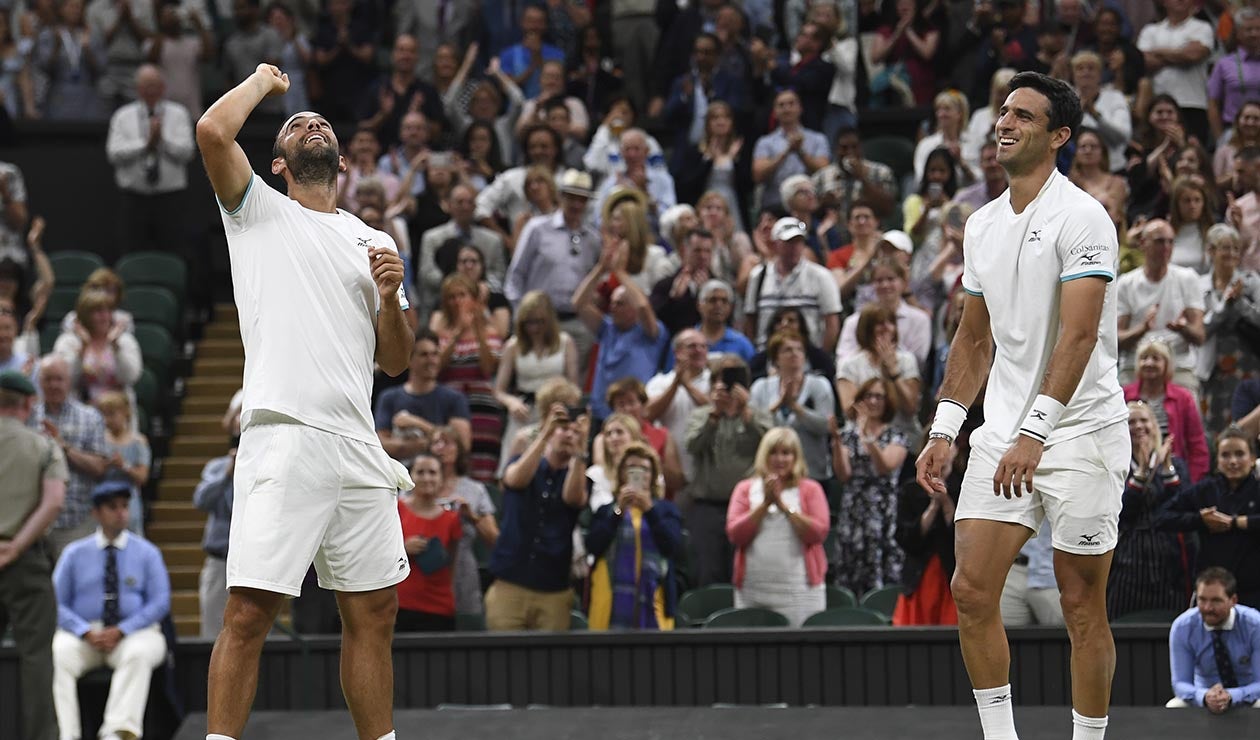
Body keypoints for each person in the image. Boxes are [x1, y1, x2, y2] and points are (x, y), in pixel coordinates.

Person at [196, 63, 417, 740]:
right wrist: (266, 82)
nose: (311, 125)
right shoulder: (257, 210)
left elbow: (397, 360)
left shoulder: (375, 242)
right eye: (298, 126)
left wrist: (390, 300)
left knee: (375, 612)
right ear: (279, 162)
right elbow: (211, 129)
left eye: (321, 125)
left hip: (356, 444)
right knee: (249, 612)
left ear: (342, 160)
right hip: (284, 434)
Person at [915, 72, 1129, 740]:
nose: (1004, 124)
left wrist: (1036, 433)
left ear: (1060, 136)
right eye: (1003, 112)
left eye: (1024, 117)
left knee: (1080, 603)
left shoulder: (1084, 216)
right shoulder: (979, 224)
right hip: (1003, 431)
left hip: (1081, 431)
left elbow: (1079, 334)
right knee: (972, 592)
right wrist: (946, 428)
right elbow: (973, 337)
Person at [51, 481, 169, 740]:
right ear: (95, 512)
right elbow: (55, 603)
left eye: (125, 506)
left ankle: (117, 733)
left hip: (134, 632)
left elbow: (160, 602)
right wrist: (83, 631)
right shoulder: (74, 553)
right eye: (112, 507)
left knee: (139, 653)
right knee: (58, 653)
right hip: (86, 634)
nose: (121, 513)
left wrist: (123, 630)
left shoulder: (148, 553)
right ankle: (66, 734)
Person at [0, 370, 66, 740]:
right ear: (27, 404)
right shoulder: (43, 446)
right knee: (36, 659)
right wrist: (16, 545)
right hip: (25, 562)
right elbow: (54, 501)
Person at [486, 403, 589, 631]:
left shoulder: (579, 476)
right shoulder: (521, 462)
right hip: (509, 584)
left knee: (549, 665)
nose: (570, 434)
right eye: (564, 428)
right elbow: (514, 480)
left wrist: (581, 452)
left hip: (554, 591)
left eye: (576, 431)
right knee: (501, 661)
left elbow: (573, 499)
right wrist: (545, 434)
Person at [726, 426, 830, 627]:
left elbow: (818, 532)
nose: (779, 459)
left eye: (786, 453)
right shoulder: (744, 489)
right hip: (753, 590)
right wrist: (765, 504)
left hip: (801, 592)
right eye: (773, 452)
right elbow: (735, 535)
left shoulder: (810, 489)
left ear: (795, 457)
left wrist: (783, 506)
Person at [685, 356, 773, 587]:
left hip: (749, 506)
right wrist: (714, 415)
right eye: (723, 382)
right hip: (708, 505)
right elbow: (693, 446)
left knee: (745, 570)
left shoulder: (758, 414)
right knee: (707, 571)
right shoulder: (701, 415)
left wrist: (746, 413)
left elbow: (772, 446)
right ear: (714, 384)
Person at [1157, 427, 1260, 608]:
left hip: (1254, 590)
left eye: (1240, 454)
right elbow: (1162, 517)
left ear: (1252, 459)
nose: (1233, 461)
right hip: (1212, 592)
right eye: (1225, 455)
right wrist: (1199, 520)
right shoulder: (1205, 490)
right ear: (1217, 461)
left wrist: (1238, 522)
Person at [586, 442, 684, 630]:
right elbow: (593, 545)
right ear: (622, 473)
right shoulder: (607, 510)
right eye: (631, 467)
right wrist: (618, 511)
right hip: (610, 600)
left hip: (655, 601)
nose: (638, 473)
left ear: (653, 476)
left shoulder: (666, 510)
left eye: (645, 469)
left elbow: (673, 547)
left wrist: (649, 510)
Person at [1106, 400, 1190, 620]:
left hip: (1168, 562)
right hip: (1127, 562)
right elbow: (1121, 515)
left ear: (1154, 425)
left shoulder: (1177, 464)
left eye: (1143, 420)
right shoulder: (1114, 467)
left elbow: (1182, 507)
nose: (1138, 426)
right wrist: (1141, 474)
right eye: (1130, 421)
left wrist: (1166, 469)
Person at [573, 240, 666, 423]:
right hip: (601, 415)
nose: (613, 307)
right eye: (612, 303)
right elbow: (579, 303)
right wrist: (600, 268)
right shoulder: (607, 328)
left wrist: (620, 272)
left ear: (633, 308)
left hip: (634, 415)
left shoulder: (650, 332)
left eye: (620, 303)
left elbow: (643, 305)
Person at [833, 377, 909, 596]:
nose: (874, 401)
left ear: (888, 402)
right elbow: (843, 474)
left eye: (879, 396)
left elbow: (884, 466)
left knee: (882, 570)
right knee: (850, 568)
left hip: (883, 509)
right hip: (854, 508)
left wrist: (867, 437)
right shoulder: (848, 436)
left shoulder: (896, 435)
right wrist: (837, 444)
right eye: (869, 396)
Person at [493, 290, 579, 476]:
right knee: (515, 461)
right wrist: (512, 402)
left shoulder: (565, 342)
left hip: (556, 410)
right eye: (529, 322)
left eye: (539, 321)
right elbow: (499, 390)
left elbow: (574, 386)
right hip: (525, 411)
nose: (534, 328)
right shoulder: (513, 345)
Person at [31, 354, 109, 558]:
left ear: (69, 381)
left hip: (78, 522)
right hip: (34, 523)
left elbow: (100, 468)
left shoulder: (90, 417)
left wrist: (63, 447)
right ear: (39, 381)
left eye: (59, 379)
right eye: (48, 379)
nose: (54, 385)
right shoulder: (28, 418)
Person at [1117, 219, 1206, 392]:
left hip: (1178, 364)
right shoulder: (1126, 283)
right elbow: (1116, 340)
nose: (1166, 247)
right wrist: (1141, 329)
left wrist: (1183, 328)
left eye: (1170, 241)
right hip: (1135, 365)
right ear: (1143, 244)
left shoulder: (1188, 278)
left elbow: (1200, 336)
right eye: (1159, 241)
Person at [432, 275, 503, 484]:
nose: (457, 301)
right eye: (451, 297)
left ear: (473, 298)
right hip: (449, 411)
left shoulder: (490, 332)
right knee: (450, 463)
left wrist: (477, 329)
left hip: (482, 410)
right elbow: (436, 368)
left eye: (462, 295)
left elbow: (488, 367)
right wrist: (457, 333)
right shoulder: (441, 333)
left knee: (481, 469)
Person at [749, 330, 837, 486]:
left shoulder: (819, 385)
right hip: (770, 474)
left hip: (813, 473)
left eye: (799, 349)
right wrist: (778, 404)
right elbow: (754, 425)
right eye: (787, 350)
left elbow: (825, 426)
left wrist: (795, 407)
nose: (794, 354)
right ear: (776, 358)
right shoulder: (761, 387)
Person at [1167, 566, 1260, 711]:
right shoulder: (1182, 627)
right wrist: (1204, 696)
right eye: (1202, 600)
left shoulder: (1255, 624)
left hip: (1247, 696)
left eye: (1216, 601)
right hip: (1204, 697)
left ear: (1233, 600)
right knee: (1174, 706)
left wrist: (1232, 695)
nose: (1207, 607)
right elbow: (1180, 683)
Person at [744, 216, 842, 353]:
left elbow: (832, 323)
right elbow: (751, 319)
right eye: (788, 242)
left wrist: (820, 357)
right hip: (766, 354)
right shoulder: (758, 276)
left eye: (798, 242)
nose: (794, 248)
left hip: (807, 354)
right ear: (775, 244)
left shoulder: (821, 276)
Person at [428, 427, 498, 617]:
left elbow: (493, 539)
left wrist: (471, 516)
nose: (441, 448)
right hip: (422, 567)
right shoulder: (415, 486)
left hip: (462, 570)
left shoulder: (475, 490)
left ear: (459, 449)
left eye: (448, 442)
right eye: (436, 442)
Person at [374, 328, 471, 464]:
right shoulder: (389, 397)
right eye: (424, 355)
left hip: (439, 479)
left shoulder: (454, 399)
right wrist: (432, 442)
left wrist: (417, 423)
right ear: (409, 360)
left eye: (435, 354)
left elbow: (462, 445)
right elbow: (382, 446)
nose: (431, 360)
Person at [1199, 223, 1260, 434]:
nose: (1231, 253)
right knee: (1213, 423)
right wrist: (1225, 304)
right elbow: (1201, 329)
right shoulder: (1200, 286)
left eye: (1235, 248)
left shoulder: (1251, 282)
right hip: (1213, 367)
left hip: (1248, 364)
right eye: (1225, 247)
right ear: (1211, 251)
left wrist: (1241, 303)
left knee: (1245, 420)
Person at [893, 435, 959, 626]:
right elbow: (905, 539)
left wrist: (946, 503)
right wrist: (932, 508)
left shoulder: (964, 486)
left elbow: (968, 541)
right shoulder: (910, 489)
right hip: (919, 578)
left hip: (953, 578)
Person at [1122, 339, 1209, 482]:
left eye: (1155, 358)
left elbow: (1197, 445)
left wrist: (1190, 484)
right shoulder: (1124, 395)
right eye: (1144, 358)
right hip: (1129, 473)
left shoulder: (1184, 397)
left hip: (1173, 473)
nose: (1149, 363)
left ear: (1167, 364)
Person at [395, 453, 461, 632]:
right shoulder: (395, 509)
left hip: (439, 606)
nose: (427, 478)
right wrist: (403, 549)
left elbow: (452, 563)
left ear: (441, 478)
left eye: (432, 472)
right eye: (420, 472)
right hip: (399, 605)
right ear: (411, 476)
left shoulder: (452, 519)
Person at [1135, 0, 1214, 144]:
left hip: (1192, 103)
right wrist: (1181, 53)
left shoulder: (1202, 28)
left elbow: (1194, 55)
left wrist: (1157, 50)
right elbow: (1144, 61)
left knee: (1191, 153)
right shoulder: (1150, 30)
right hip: (1158, 106)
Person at [53, 290, 143, 407]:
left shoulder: (125, 340)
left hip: (117, 411)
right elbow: (64, 378)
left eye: (108, 311)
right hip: (79, 410)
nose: (105, 316)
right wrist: (83, 350)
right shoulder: (68, 341)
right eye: (98, 311)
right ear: (85, 315)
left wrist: (116, 348)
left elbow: (130, 377)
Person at [752, 89, 830, 211]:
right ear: (775, 112)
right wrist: (786, 152)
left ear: (800, 108)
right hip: (775, 205)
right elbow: (758, 175)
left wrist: (800, 152)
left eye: (791, 104)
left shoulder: (818, 139)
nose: (786, 109)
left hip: (809, 206)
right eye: (781, 105)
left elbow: (824, 171)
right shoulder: (764, 142)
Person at [193, 438, 236, 640]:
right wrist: (228, 473)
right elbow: (201, 500)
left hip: (253, 560)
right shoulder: (217, 467)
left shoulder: (263, 465)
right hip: (220, 557)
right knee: (212, 628)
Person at [96, 391, 150, 534]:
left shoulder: (138, 441)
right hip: (104, 498)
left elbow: (142, 477)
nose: (108, 420)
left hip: (129, 501)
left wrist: (124, 466)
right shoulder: (99, 441)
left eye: (112, 414)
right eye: (104, 415)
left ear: (125, 413)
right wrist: (105, 465)